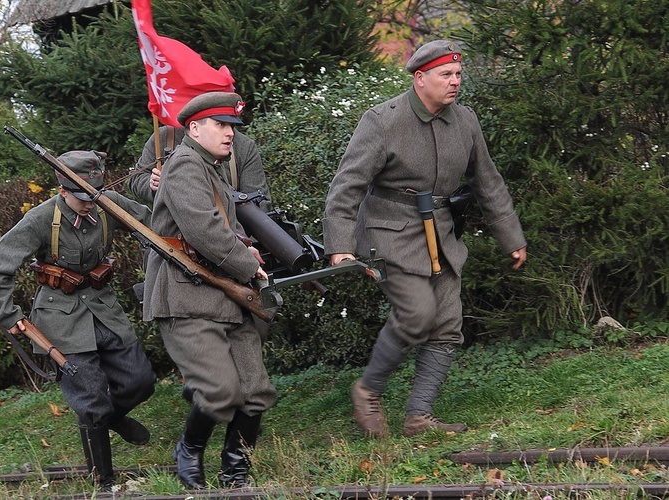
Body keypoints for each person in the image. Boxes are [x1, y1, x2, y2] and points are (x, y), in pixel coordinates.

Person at [322, 40, 527, 438]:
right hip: (390, 231)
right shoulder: (383, 119)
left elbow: (488, 182)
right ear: (420, 79)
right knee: (417, 313)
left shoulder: (465, 120)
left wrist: (511, 237)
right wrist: (340, 246)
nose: (455, 82)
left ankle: (419, 417)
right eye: (445, 75)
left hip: (441, 233)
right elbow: (347, 186)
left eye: (458, 75)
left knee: (448, 323)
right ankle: (368, 390)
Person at [0, 151, 157, 489]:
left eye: (94, 194)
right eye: (81, 196)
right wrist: (9, 314)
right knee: (91, 401)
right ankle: (102, 483)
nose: (89, 203)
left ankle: (111, 418)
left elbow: (152, 225)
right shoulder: (41, 219)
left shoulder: (106, 203)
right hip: (60, 317)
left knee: (140, 381)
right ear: (62, 190)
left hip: (104, 309)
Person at [142, 92, 276, 489]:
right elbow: (203, 230)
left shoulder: (210, 167)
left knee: (255, 392)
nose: (229, 133)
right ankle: (188, 449)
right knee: (218, 391)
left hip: (226, 295)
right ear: (194, 128)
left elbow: (222, 227)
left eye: (232, 126)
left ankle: (235, 474)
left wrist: (245, 247)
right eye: (220, 125)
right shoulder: (183, 165)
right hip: (187, 298)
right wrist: (250, 264)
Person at [128, 124, 273, 212]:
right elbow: (134, 179)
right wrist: (152, 185)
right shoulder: (164, 136)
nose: (229, 133)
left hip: (229, 235)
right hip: (169, 240)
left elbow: (260, 203)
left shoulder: (243, 147)